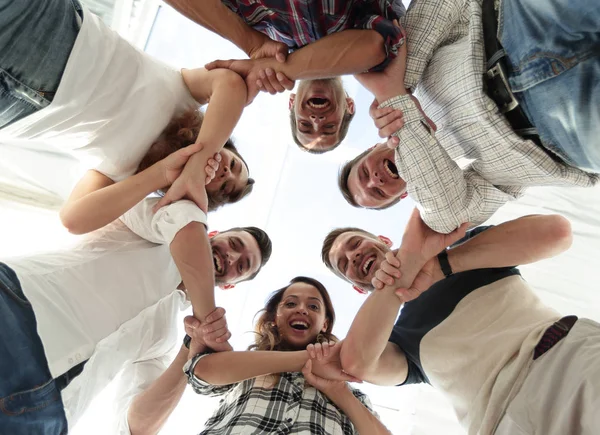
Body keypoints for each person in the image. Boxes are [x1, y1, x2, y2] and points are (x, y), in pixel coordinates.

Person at [0, 196, 272, 433]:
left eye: (243, 265)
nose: (232, 257)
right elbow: (183, 217)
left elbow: (135, 427)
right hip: (14, 311)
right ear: (212, 235)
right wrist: (207, 314)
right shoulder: (151, 233)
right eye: (234, 243)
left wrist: (192, 348)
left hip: (44, 412)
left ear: (229, 285)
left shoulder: (166, 337)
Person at [322, 209, 600, 434]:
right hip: (501, 425)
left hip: (565, 360)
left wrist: (441, 265)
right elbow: (356, 364)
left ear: (383, 239)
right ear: (358, 288)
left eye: (355, 243)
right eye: (344, 264)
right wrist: (402, 271)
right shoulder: (396, 340)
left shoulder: (463, 250)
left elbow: (557, 233)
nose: (353, 255)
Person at [333, 0, 599, 232]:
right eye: (378, 192)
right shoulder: (455, 190)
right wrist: (395, 99)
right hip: (564, 131)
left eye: (364, 173)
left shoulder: (408, 71)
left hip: (519, 26)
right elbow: (450, 215)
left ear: (372, 148)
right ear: (404, 196)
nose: (375, 180)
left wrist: (403, 83)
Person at [0, 0, 253, 233]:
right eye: (234, 166)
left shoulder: (131, 176)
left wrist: (164, 174)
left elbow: (73, 220)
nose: (226, 174)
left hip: (20, 110)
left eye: (225, 187)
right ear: (227, 145)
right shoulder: (185, 94)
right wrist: (197, 165)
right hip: (55, 35)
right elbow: (230, 83)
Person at [127, 276, 392, 434]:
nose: (301, 309)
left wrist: (337, 390)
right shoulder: (247, 366)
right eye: (290, 303)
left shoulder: (350, 392)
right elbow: (201, 371)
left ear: (324, 324)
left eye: (313, 306)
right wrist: (307, 360)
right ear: (274, 318)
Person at [167, 0, 407, 152]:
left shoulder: (254, 26)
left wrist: (251, 44)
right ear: (350, 105)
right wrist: (275, 67)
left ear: (292, 102)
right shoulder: (365, 47)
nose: (316, 119)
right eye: (329, 127)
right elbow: (378, 42)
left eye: (305, 124)